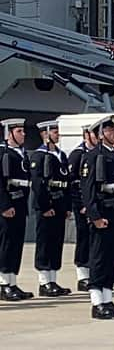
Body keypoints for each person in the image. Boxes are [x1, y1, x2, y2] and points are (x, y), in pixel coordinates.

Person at [81, 116, 114, 319]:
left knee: (113, 258)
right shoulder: (93, 156)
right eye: (109, 130)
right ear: (101, 134)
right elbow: (88, 189)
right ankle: (97, 302)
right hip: (104, 213)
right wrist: (95, 216)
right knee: (99, 258)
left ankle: (108, 300)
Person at [30, 120, 72, 297]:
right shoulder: (39, 156)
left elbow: (66, 183)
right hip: (47, 207)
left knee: (56, 243)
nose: (57, 134)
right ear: (44, 134)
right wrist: (44, 206)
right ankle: (44, 281)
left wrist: (67, 206)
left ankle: (53, 279)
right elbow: (38, 185)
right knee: (45, 243)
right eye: (53, 132)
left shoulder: (61, 155)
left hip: (59, 206)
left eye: (57, 131)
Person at [0, 118, 33, 301]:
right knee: (6, 246)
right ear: (9, 134)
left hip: (20, 204)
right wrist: (4, 205)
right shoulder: (3, 153)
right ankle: (4, 284)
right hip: (9, 206)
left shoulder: (21, 154)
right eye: (19, 131)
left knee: (15, 245)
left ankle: (12, 282)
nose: (23, 134)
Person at [68, 124, 97, 291]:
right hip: (82, 206)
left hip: (92, 204)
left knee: (94, 240)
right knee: (84, 238)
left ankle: (92, 272)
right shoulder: (77, 155)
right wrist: (81, 205)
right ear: (86, 136)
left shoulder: (95, 153)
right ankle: (82, 276)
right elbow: (73, 184)